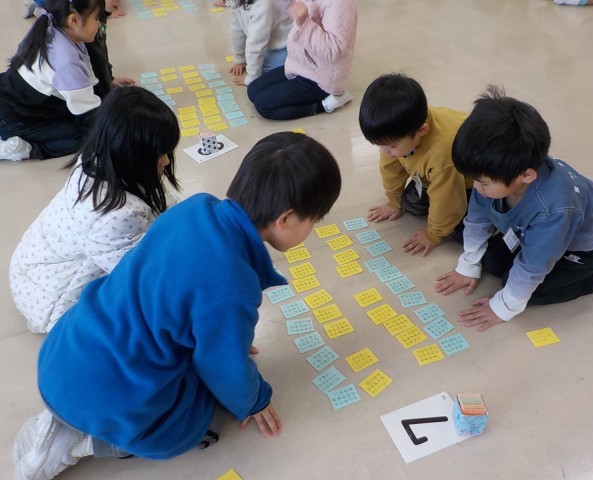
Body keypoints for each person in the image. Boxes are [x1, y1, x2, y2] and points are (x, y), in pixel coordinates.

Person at [12, 131, 342, 479]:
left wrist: (221, 332)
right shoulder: (235, 283)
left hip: (65, 350)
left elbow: (177, 294)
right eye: (314, 219)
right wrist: (255, 398)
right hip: (109, 395)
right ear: (286, 218)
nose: (313, 227)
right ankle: (86, 441)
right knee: (200, 421)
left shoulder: (193, 208)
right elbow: (223, 368)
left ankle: (69, 416)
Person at [435, 86, 593, 332]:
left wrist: (502, 307)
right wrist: (467, 266)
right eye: (474, 179)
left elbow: (533, 267)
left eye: (483, 183)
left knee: (528, 290)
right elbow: (477, 221)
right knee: (493, 262)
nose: (476, 188)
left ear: (526, 176)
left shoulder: (554, 209)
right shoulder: (496, 173)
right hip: (551, 230)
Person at [9, 86, 180, 335]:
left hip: (34, 266)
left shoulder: (97, 160)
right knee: (149, 327)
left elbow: (163, 207)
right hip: (54, 299)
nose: (166, 161)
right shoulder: (116, 215)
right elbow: (140, 278)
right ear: (127, 151)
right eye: (158, 154)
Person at [360, 74, 473, 256]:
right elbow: (390, 168)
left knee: (461, 234)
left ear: (422, 131)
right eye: (378, 145)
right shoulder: (395, 131)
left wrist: (434, 234)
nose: (384, 151)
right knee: (411, 204)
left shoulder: (443, 154)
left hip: (475, 180)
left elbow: (448, 198)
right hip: (441, 173)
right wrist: (393, 201)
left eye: (391, 146)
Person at [0, 0, 103, 161]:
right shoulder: (66, 61)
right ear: (73, 20)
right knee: (87, 138)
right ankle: (21, 149)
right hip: (11, 118)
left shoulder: (54, 27)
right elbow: (88, 114)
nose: (100, 24)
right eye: (96, 18)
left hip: (17, 99)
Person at [246, 0, 357, 120]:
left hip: (321, 78)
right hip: (299, 65)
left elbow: (334, 51)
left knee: (264, 105)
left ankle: (326, 104)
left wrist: (304, 23)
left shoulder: (340, 4)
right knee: (253, 90)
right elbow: (292, 9)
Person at [228, 0, 292, 87]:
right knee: (255, 62)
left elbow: (255, 45)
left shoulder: (263, 5)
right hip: (269, 43)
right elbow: (236, 30)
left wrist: (252, 77)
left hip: (286, 49)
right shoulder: (237, 1)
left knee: (264, 71)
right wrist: (240, 59)